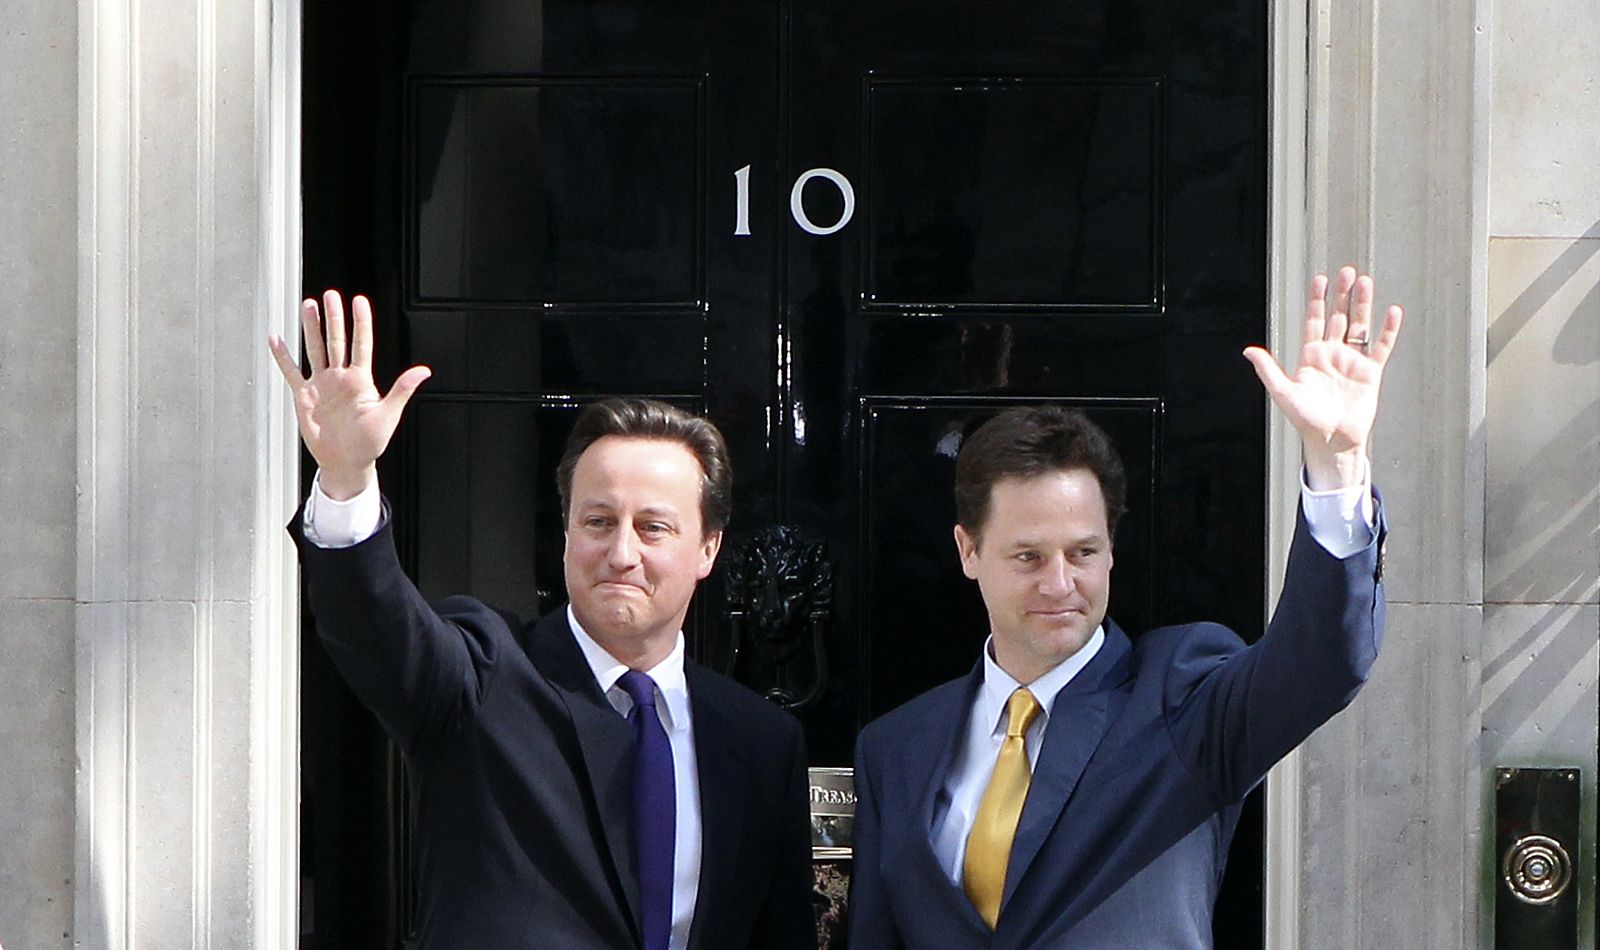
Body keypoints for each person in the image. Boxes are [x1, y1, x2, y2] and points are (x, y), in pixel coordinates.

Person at [848, 267, 1404, 948]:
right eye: (1028, 557)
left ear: (1112, 550)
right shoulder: (896, 748)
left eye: (1083, 552)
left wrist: (1337, 467)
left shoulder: (1179, 698)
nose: (1060, 583)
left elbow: (1322, 664)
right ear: (969, 551)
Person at [268, 291, 814, 950]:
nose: (621, 553)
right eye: (598, 521)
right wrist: (348, 480)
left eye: (653, 527)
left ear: (707, 549)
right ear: (565, 533)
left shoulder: (760, 743)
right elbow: (376, 627)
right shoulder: (482, 675)